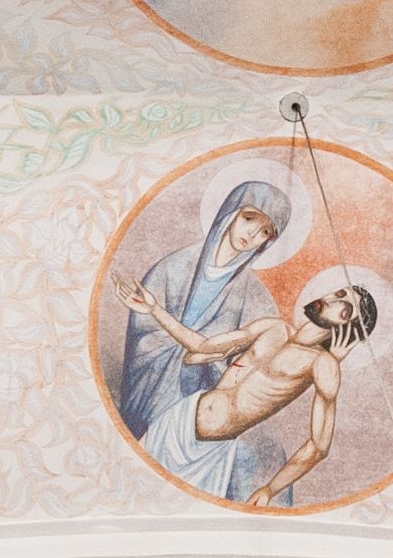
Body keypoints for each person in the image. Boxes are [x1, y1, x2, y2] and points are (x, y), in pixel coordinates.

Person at [119, 274, 379, 505]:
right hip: (179, 418)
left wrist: (270, 489)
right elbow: (203, 346)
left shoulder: (323, 364)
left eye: (345, 309)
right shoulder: (273, 327)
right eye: (339, 293)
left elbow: (319, 447)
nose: (332, 299)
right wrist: (154, 310)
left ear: (348, 328)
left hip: (209, 452)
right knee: (126, 483)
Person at [112, 178, 291, 497]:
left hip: (211, 400)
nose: (251, 233)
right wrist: (187, 355)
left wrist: (211, 361)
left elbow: (250, 369)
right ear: (231, 213)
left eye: (264, 231)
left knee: (262, 456)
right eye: (249, 218)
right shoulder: (173, 267)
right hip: (157, 388)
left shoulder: (257, 298)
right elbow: (144, 337)